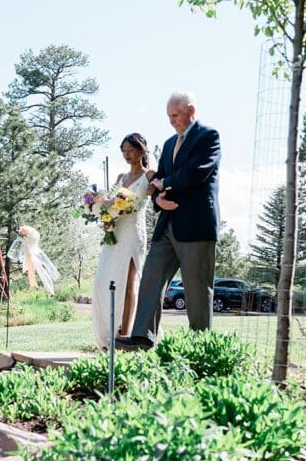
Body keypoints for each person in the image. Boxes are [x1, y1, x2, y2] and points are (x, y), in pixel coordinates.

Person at [116, 91, 220, 350]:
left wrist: (166, 184)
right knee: (151, 276)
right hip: (167, 226)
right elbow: (158, 180)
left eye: (175, 115)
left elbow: (198, 172)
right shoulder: (170, 142)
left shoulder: (208, 136)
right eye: (169, 117)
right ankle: (142, 338)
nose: (172, 121)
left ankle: (201, 346)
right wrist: (157, 199)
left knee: (196, 290)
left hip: (196, 226)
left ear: (191, 110)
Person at [91, 132, 157, 350]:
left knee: (129, 284)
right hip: (115, 233)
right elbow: (111, 204)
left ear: (141, 150)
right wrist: (105, 216)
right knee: (103, 282)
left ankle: (126, 335)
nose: (127, 155)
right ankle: (109, 331)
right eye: (124, 151)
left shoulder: (149, 176)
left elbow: (160, 193)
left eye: (131, 150)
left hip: (133, 234)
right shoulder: (120, 177)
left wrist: (155, 191)